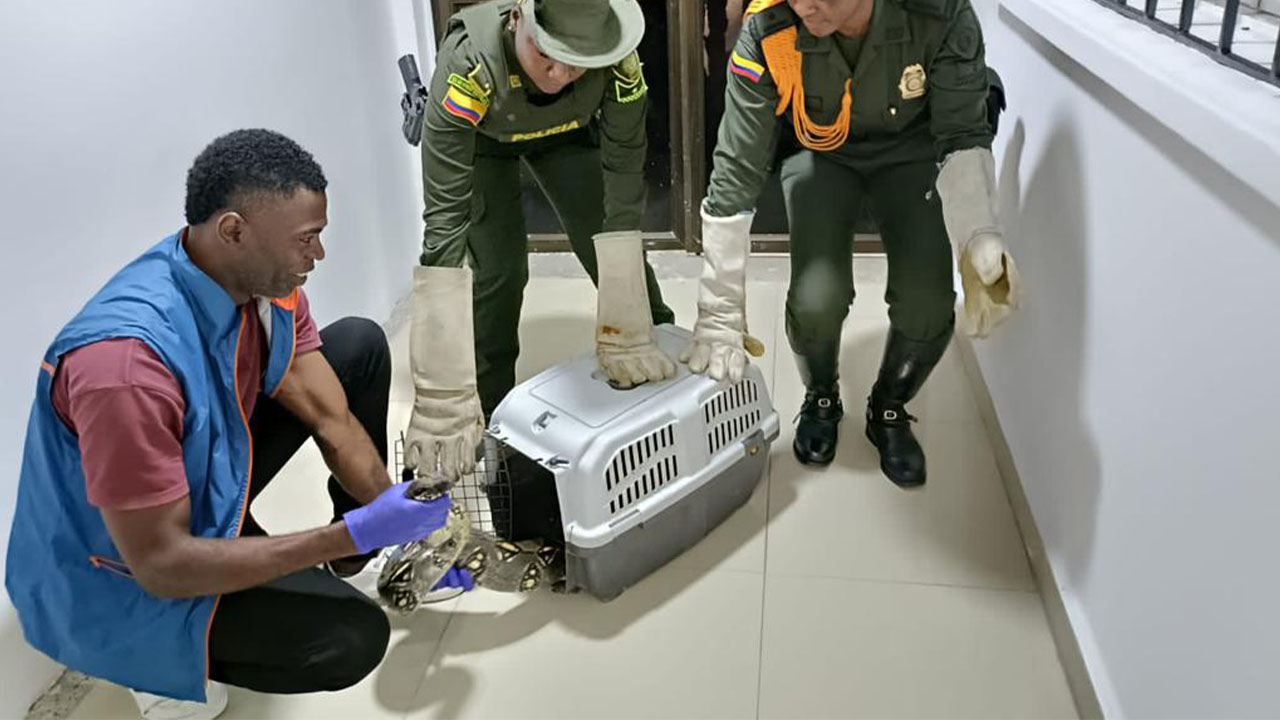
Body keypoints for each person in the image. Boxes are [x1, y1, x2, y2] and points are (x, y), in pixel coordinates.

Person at [4, 129, 470, 720]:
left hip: (196, 481)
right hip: (120, 573)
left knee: (356, 347)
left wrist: (406, 529)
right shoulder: (124, 364)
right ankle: (156, 672)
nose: (318, 256)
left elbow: (334, 419)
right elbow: (161, 565)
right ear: (233, 230)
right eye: (307, 240)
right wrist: (348, 533)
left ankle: (331, 558)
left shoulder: (266, 287)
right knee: (350, 638)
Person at [685, 0, 1021, 486]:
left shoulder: (938, 14)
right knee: (816, 299)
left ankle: (888, 407)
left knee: (927, 303)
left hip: (913, 149)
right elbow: (736, 168)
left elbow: (962, 132)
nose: (803, 3)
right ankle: (821, 395)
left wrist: (979, 232)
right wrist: (718, 307)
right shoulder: (769, 28)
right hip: (819, 149)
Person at [406, 0, 678, 483]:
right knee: (500, 273)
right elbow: (444, 222)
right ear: (517, 21)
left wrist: (631, 321)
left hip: (567, 135)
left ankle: (659, 350)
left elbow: (622, 178)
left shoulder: (617, 58)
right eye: (545, 54)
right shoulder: (469, 66)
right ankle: (486, 415)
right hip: (485, 143)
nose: (558, 74)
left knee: (613, 244)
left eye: (577, 63)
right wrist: (441, 387)